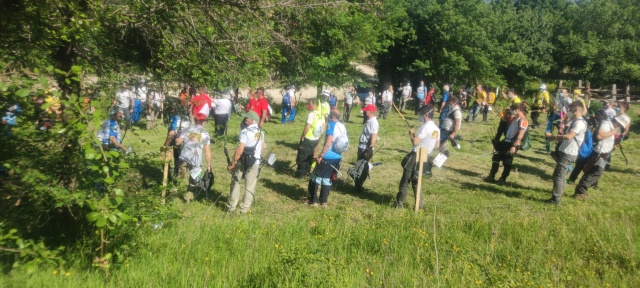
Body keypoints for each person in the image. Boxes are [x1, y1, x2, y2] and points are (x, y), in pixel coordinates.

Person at [395, 105, 440, 209]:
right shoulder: (436, 129)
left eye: (421, 114)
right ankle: (419, 205)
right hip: (426, 156)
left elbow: (415, 142)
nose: (420, 116)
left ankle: (399, 204)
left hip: (416, 156)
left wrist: (411, 134)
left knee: (406, 180)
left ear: (426, 115)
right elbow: (437, 145)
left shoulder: (424, 128)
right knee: (417, 181)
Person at [573, 115, 628, 199]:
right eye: (620, 124)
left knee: (592, 172)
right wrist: (612, 132)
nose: (620, 126)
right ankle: (580, 192)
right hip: (598, 153)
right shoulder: (606, 124)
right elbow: (599, 136)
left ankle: (580, 191)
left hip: (604, 154)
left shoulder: (612, 126)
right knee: (596, 172)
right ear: (617, 121)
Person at [544, 102, 587, 205]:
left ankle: (555, 199)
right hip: (566, 151)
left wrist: (552, 137)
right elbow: (565, 130)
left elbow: (569, 136)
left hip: (569, 152)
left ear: (575, 110)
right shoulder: (574, 121)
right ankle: (557, 196)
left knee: (559, 175)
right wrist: (565, 120)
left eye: (570, 109)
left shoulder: (579, 123)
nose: (568, 111)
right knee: (560, 175)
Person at [226, 111, 265, 214]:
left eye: (247, 118)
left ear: (251, 120)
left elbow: (240, 149)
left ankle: (232, 206)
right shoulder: (261, 132)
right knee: (250, 185)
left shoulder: (245, 131)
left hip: (242, 161)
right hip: (255, 161)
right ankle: (245, 208)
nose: (245, 120)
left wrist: (233, 162)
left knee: (236, 181)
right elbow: (262, 148)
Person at [307, 111, 347, 207]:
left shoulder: (331, 125)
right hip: (337, 157)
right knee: (328, 179)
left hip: (327, 156)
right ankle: (324, 202)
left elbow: (329, 141)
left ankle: (313, 201)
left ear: (332, 116)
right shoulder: (342, 126)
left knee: (315, 177)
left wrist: (321, 155)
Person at [485, 103, 528, 183]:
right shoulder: (514, 118)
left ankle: (503, 178)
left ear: (518, 109)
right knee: (496, 156)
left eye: (513, 109)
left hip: (513, 143)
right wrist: (506, 112)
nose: (512, 111)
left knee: (507, 161)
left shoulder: (523, 120)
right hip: (506, 140)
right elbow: (504, 121)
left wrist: (514, 146)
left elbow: (520, 134)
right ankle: (492, 175)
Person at [175, 109, 212, 203]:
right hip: (196, 160)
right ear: (203, 122)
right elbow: (207, 151)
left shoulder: (187, 129)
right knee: (194, 179)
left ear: (195, 120)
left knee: (179, 176)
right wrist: (208, 165)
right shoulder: (205, 134)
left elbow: (178, 142)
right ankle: (188, 197)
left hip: (184, 157)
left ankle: (173, 192)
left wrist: (177, 137)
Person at [295, 100, 325, 178]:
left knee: (302, 156)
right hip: (315, 139)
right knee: (310, 156)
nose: (309, 105)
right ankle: (307, 172)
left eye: (310, 104)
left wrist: (302, 136)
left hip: (308, 138)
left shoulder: (312, 114)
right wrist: (319, 137)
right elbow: (323, 127)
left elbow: (308, 126)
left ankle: (300, 173)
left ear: (315, 105)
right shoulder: (321, 115)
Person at [355, 104, 379, 192]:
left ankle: (359, 185)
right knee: (358, 166)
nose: (364, 111)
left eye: (366, 110)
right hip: (362, 146)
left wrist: (369, 150)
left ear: (371, 112)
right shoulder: (369, 121)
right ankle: (357, 184)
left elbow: (373, 137)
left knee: (364, 167)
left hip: (366, 147)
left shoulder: (373, 122)